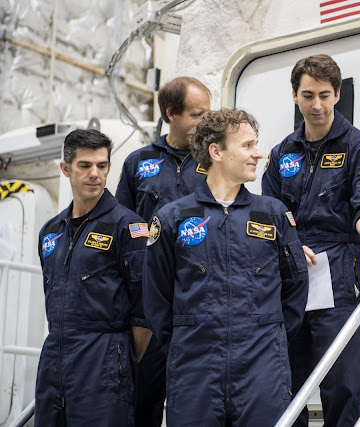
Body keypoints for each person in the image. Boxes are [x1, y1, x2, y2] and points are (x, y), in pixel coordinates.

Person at [143, 108, 309, 426]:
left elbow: (296, 286)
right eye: (247, 145)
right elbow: (155, 298)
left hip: (262, 369)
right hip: (194, 371)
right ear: (216, 152)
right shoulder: (172, 218)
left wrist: (269, 336)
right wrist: (188, 339)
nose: (258, 153)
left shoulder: (274, 215)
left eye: (256, 144)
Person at [262, 54, 360, 426]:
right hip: (293, 272)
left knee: (342, 378)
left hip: (342, 270)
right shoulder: (282, 153)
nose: (317, 105)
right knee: (288, 378)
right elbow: (270, 213)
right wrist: (287, 246)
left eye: (325, 95)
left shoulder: (358, 147)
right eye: (308, 95)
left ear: (337, 95)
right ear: (295, 96)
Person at [36, 129, 151, 426]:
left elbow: (145, 311)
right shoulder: (51, 232)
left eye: (102, 165)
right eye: (85, 165)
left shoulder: (129, 227)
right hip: (54, 357)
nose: (95, 174)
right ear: (65, 169)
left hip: (104, 362)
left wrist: (119, 358)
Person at [115, 75, 210, 426]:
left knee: (198, 405)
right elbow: (121, 229)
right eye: (198, 115)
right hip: (148, 303)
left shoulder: (215, 160)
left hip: (200, 298)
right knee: (144, 400)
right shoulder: (138, 162)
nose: (206, 122)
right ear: (171, 113)